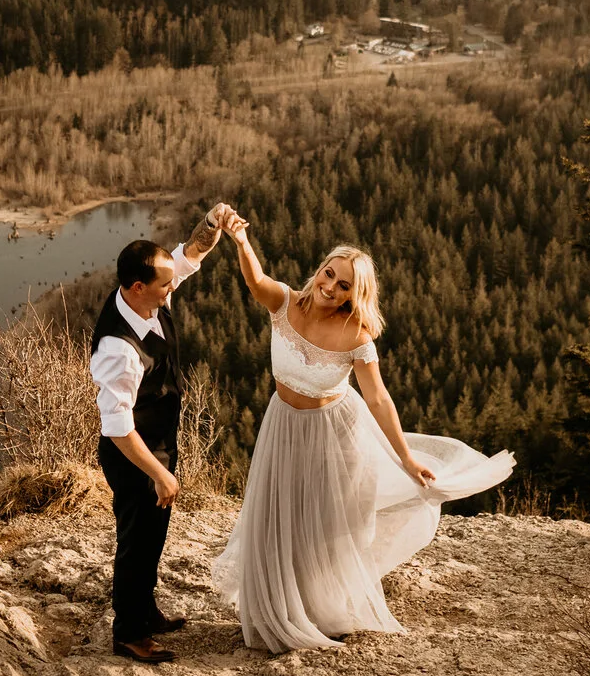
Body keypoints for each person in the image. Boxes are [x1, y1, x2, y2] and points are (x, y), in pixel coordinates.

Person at [210, 218, 515, 652]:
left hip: (335, 436)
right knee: (276, 518)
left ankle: (319, 611)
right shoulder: (284, 303)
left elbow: (378, 399)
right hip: (282, 427)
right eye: (329, 273)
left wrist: (406, 458)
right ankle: (272, 610)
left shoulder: (357, 333)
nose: (331, 286)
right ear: (319, 270)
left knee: (321, 528)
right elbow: (254, 279)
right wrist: (240, 239)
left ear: (357, 294)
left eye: (345, 285)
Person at [89, 203, 237, 665]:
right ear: (138, 288)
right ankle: (129, 633)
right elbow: (116, 428)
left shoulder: (149, 297)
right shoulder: (117, 349)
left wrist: (213, 224)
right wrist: (160, 473)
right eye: (165, 284)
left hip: (159, 444)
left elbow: (191, 252)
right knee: (136, 541)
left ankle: (146, 610)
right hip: (135, 454)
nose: (174, 287)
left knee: (153, 536)